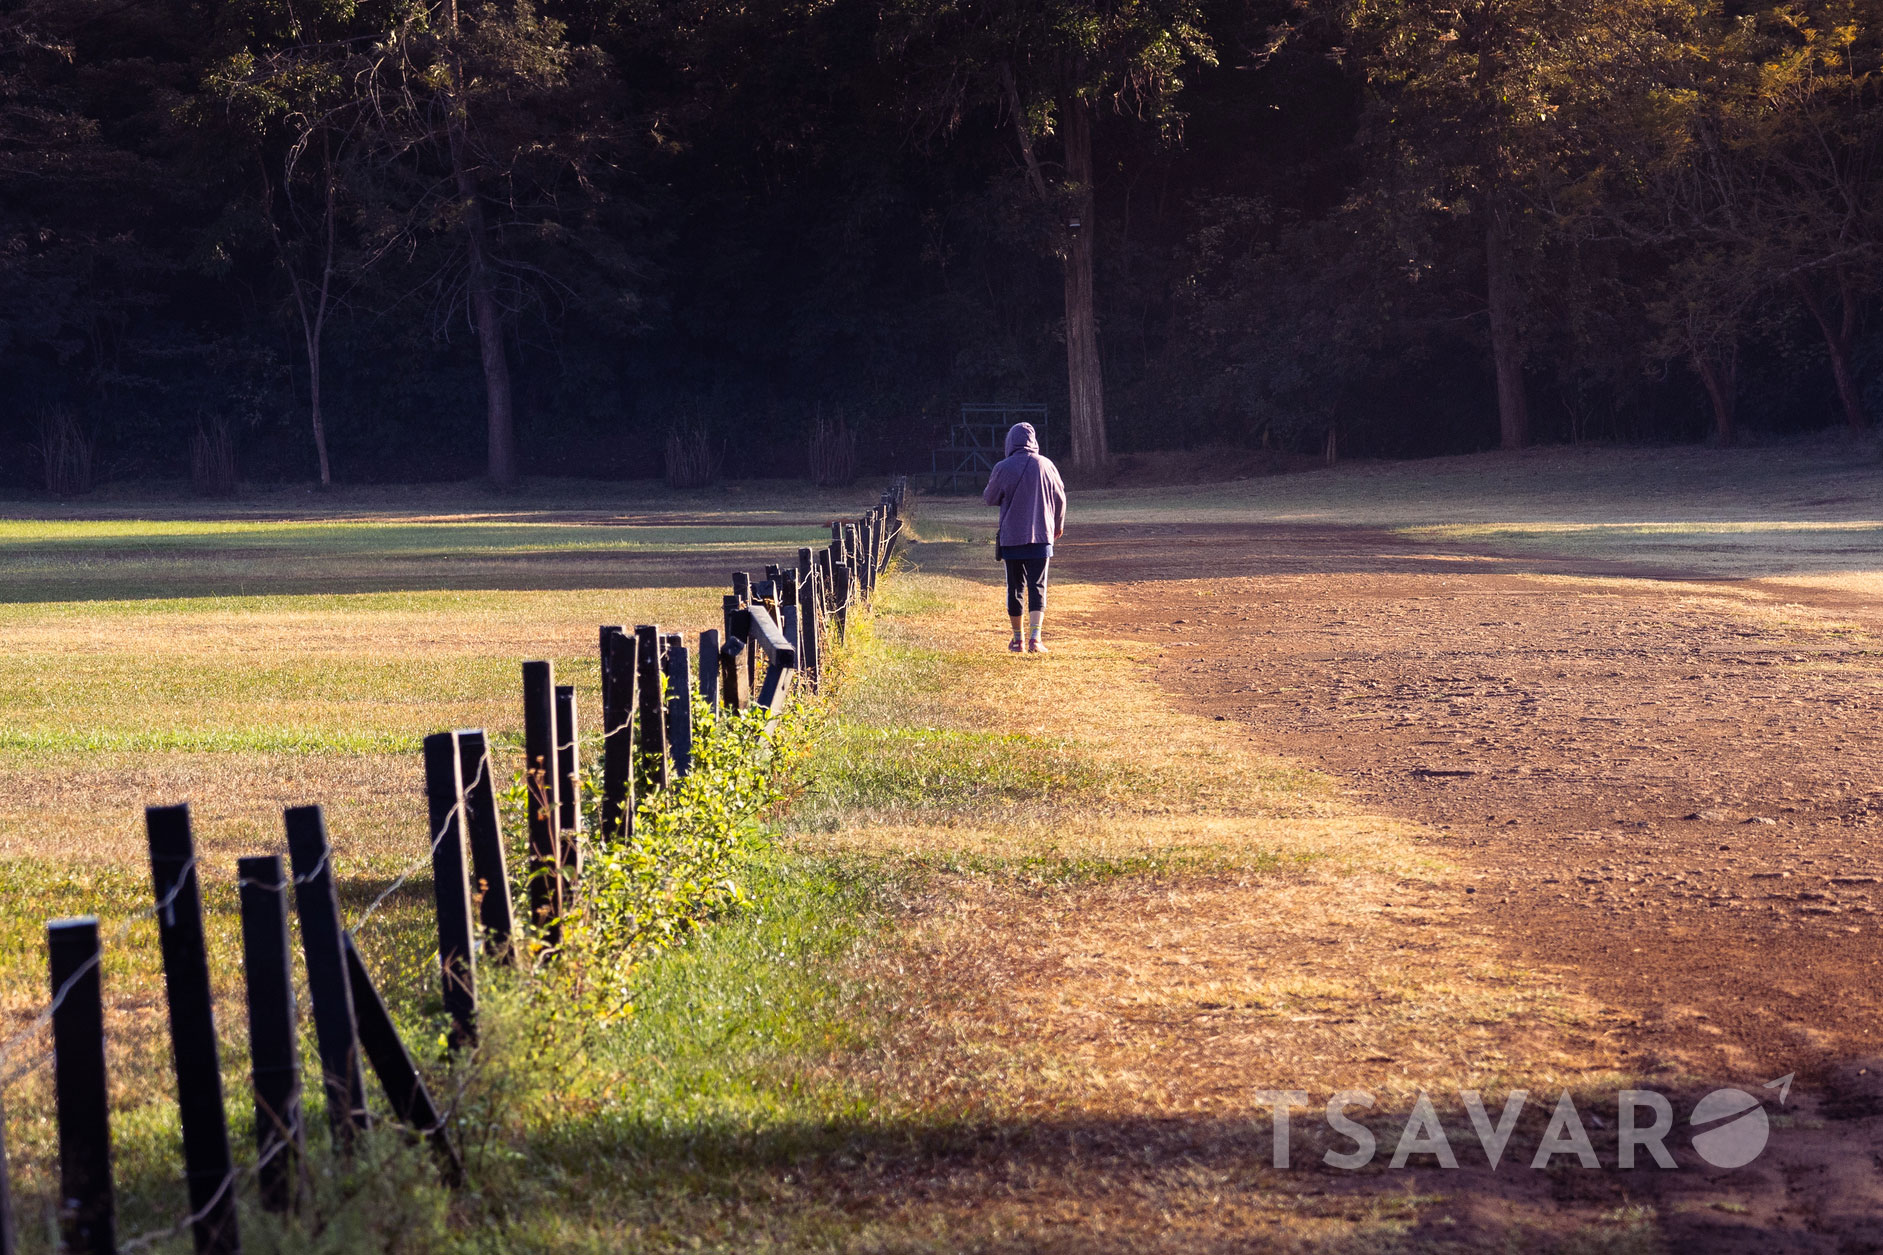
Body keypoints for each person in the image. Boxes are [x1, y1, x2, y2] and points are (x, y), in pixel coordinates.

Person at [982, 421, 1066, 653]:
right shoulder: (1047, 465)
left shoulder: (1003, 467)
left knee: (1015, 587)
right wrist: (1057, 525)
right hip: (1041, 536)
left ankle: (1017, 639)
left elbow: (989, 498)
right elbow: (1061, 498)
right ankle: (1035, 640)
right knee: (1038, 585)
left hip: (1012, 538)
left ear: (1010, 442)